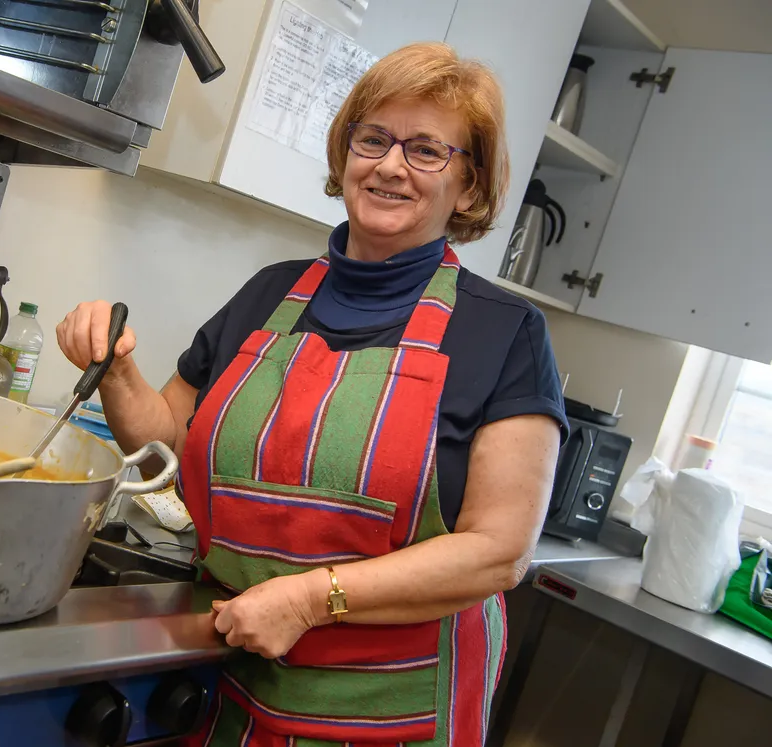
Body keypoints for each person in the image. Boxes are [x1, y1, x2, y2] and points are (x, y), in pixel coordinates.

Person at [57, 42, 567, 747]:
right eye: (374, 138)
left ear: (470, 187)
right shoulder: (270, 294)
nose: (390, 165)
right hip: (232, 673)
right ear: (345, 153)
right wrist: (115, 371)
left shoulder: (505, 334)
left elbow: (498, 550)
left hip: (393, 708)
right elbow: (166, 435)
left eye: (425, 151)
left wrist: (307, 599)